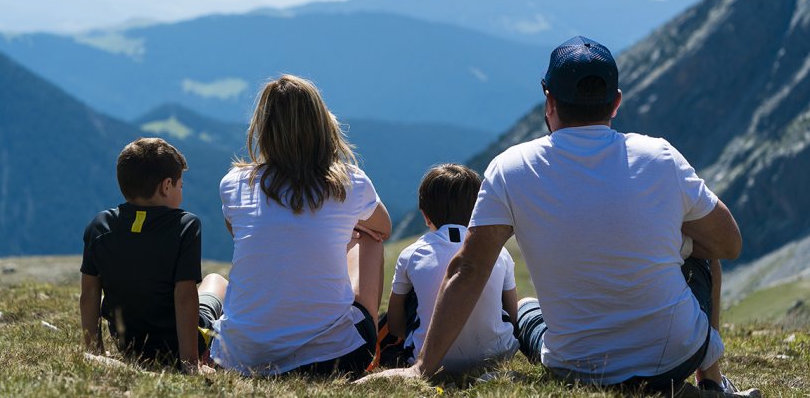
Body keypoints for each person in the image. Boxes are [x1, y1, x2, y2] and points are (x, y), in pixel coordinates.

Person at [360, 36, 758, 395]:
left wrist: (422, 369)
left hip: (578, 369)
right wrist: (675, 237)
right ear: (616, 102)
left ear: (549, 101)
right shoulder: (660, 156)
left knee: (529, 309)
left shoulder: (511, 168)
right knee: (701, 253)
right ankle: (711, 384)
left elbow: (469, 269)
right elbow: (728, 243)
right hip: (674, 360)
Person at [209, 74, 392, 377]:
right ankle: (370, 353)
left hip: (240, 357)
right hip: (335, 358)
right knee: (370, 239)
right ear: (322, 123)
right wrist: (345, 233)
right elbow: (383, 228)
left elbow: (238, 233)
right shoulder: (349, 182)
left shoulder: (233, 184)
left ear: (264, 128)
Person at [79, 137, 228, 373]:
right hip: (176, 346)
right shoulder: (185, 226)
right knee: (217, 281)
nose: (182, 190)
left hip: (128, 345)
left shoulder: (99, 226)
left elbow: (89, 295)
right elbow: (184, 296)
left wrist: (94, 350)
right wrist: (189, 363)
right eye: (181, 185)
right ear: (166, 186)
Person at [386, 164, 519, 372]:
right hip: (497, 356)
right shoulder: (499, 251)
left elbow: (395, 325)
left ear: (425, 215)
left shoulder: (411, 254)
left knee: (409, 295)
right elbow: (512, 314)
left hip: (432, 362)